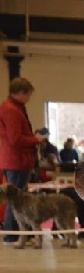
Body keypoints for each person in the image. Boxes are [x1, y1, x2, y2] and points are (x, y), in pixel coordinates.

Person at [0, 77, 42, 244]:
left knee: (16, 200)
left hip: (14, 160)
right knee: (16, 201)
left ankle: (17, 235)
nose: (29, 98)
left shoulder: (10, 107)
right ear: (21, 93)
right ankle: (12, 235)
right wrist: (35, 139)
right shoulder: (12, 110)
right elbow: (15, 139)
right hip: (16, 161)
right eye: (29, 95)